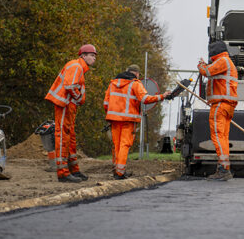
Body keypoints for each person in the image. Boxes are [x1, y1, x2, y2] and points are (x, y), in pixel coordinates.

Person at [103, 64, 171, 180]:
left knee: (116, 145)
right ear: (137, 74)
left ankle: (116, 170)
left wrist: (112, 116)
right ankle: (120, 173)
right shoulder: (135, 83)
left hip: (114, 120)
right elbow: (145, 99)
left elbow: (106, 104)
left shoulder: (113, 84)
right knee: (124, 145)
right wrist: (161, 96)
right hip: (128, 121)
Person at [45, 44, 96, 183]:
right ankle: (63, 173)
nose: (94, 58)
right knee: (62, 137)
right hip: (64, 105)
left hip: (69, 106)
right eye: (91, 55)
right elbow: (70, 86)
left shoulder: (79, 67)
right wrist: (79, 98)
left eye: (94, 55)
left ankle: (74, 170)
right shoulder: (76, 66)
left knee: (70, 137)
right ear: (83, 56)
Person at [198, 40, 239, 181]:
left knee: (217, 136)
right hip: (227, 106)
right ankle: (223, 168)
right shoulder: (226, 62)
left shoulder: (222, 61)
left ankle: (223, 169)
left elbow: (207, 72)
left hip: (220, 105)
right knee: (223, 137)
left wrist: (201, 65)